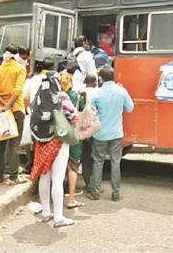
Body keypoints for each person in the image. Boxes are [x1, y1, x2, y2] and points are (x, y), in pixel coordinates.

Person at [30, 68, 75, 228]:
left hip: (41, 143)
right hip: (58, 142)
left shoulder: (37, 98)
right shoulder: (62, 97)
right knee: (57, 179)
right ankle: (58, 217)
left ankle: (45, 212)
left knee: (45, 176)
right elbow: (72, 116)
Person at [86, 67, 134, 202]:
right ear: (114, 77)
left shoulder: (96, 93)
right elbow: (130, 108)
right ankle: (116, 194)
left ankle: (95, 193)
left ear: (100, 79)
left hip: (100, 133)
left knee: (98, 162)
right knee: (115, 162)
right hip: (116, 133)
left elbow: (91, 111)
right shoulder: (121, 91)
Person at [0, 44, 27, 185]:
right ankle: (13, 177)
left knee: (0, 144)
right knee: (14, 144)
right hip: (16, 109)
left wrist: (3, 104)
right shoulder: (20, 68)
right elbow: (18, 90)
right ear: (17, 55)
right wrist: (10, 105)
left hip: (1, 110)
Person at [59, 69, 85, 209]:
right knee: (73, 167)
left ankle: (57, 195)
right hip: (73, 135)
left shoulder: (55, 96)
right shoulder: (75, 96)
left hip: (58, 135)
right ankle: (71, 199)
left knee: (58, 167)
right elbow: (83, 110)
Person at [80, 74, 98, 190]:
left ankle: (88, 182)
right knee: (96, 157)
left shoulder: (80, 93)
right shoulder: (98, 93)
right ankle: (94, 184)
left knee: (85, 157)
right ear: (95, 82)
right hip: (95, 129)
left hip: (83, 129)